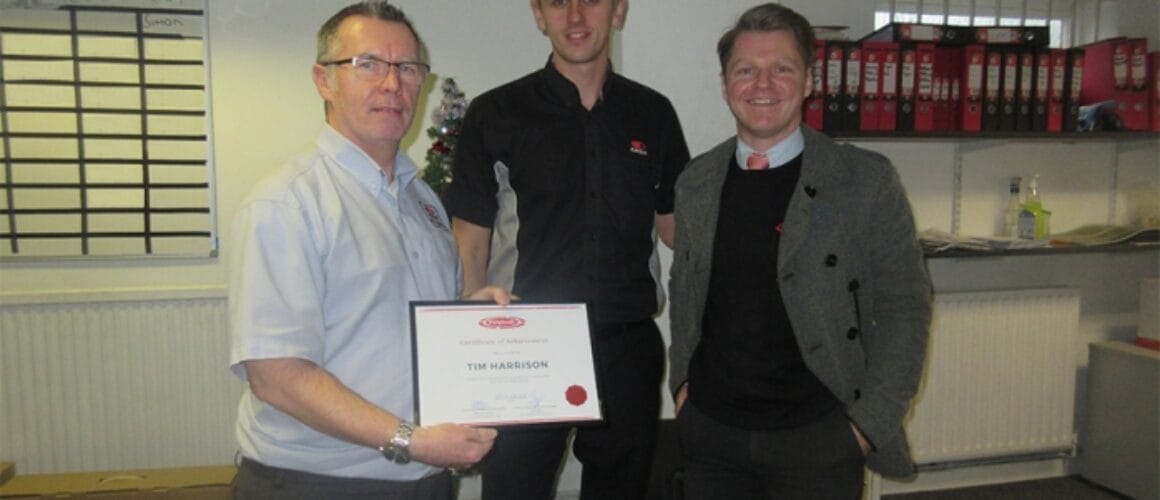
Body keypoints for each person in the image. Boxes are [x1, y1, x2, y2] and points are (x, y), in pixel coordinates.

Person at [228, 3, 509, 498]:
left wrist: (470, 317)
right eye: (368, 64)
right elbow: (275, 376)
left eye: (407, 69)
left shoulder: (421, 200)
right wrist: (411, 439)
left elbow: (393, 321)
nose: (392, 83)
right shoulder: (287, 202)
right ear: (323, 80)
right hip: (318, 483)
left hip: (422, 476)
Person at [667, 4, 933, 499]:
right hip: (712, 435)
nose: (762, 84)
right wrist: (682, 387)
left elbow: (905, 308)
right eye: (745, 70)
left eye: (781, 69)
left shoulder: (865, 181)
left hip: (820, 438)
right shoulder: (696, 181)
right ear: (726, 84)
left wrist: (867, 425)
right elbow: (684, 291)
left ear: (809, 80)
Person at [443, 0, 690, 498]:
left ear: (618, 11)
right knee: (514, 490)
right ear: (539, 15)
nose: (576, 16)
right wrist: (471, 346)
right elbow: (471, 235)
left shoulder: (653, 113)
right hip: (526, 343)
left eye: (592, 1)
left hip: (628, 346)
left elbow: (676, 230)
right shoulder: (497, 113)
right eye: (558, 2)